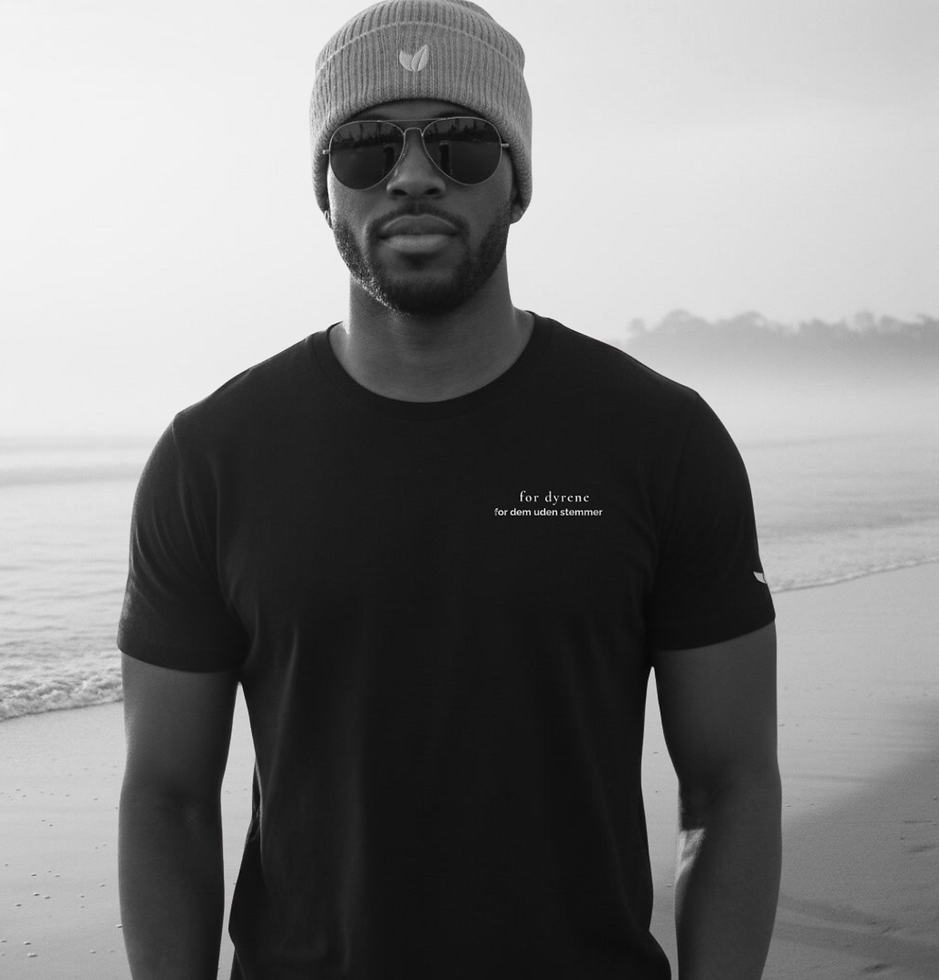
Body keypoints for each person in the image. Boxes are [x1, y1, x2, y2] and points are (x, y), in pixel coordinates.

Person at [117, 1, 782, 977]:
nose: (414, 174)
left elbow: (728, 785)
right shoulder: (210, 458)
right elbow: (168, 796)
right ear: (323, 187)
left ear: (516, 182)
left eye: (464, 145)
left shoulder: (660, 440)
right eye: (364, 148)